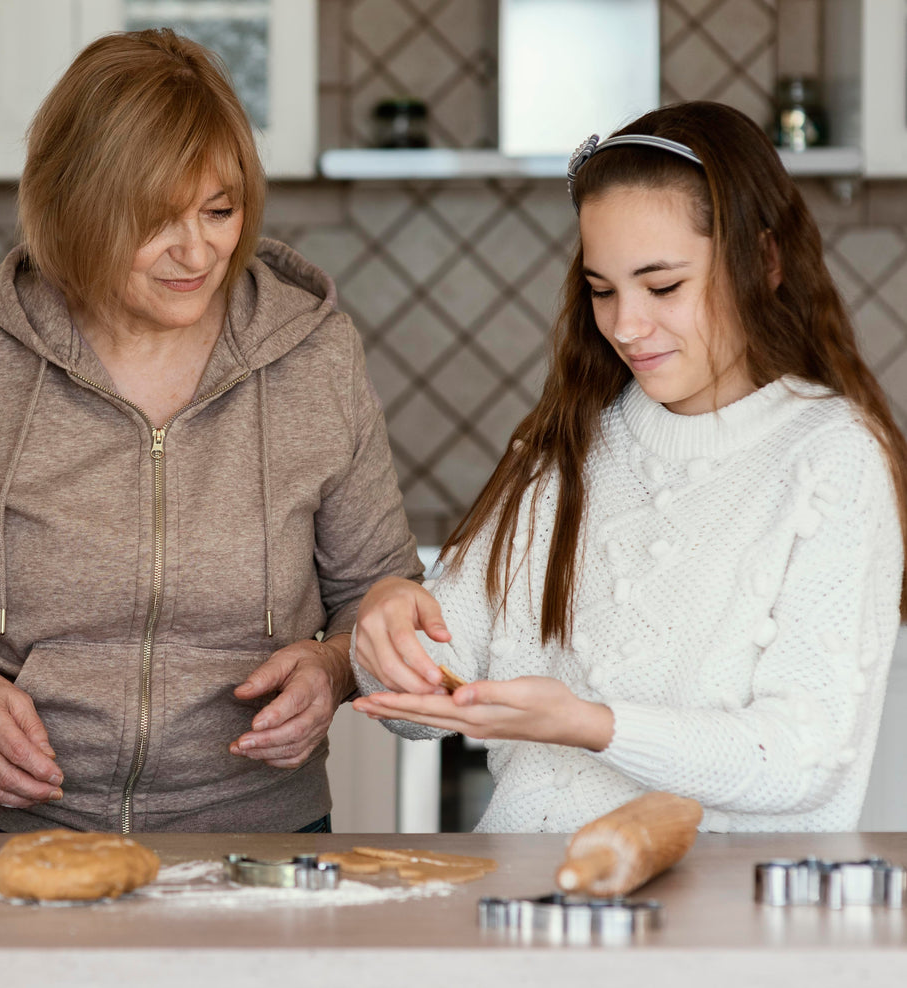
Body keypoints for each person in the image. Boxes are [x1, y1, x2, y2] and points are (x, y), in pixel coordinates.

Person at [0, 29, 443, 835]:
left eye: (220, 210)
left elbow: (379, 591)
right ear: (75, 206)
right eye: (155, 220)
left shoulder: (315, 355)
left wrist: (331, 665)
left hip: (247, 838)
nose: (197, 249)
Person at [351, 100, 907, 833]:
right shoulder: (564, 452)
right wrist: (390, 630)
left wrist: (593, 725)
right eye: (603, 290)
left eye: (663, 286)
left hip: (723, 932)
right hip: (526, 910)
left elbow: (804, 758)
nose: (626, 326)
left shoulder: (831, 457)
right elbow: (421, 706)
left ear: (764, 261)